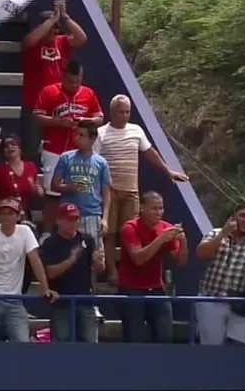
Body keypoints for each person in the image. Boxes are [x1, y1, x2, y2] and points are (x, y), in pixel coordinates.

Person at [94, 94, 189, 282]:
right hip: (110, 190)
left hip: (131, 190)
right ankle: (112, 271)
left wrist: (167, 171)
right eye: (120, 112)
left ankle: (128, 269)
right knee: (110, 234)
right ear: (112, 112)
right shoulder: (101, 133)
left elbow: (149, 152)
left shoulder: (136, 130)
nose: (124, 115)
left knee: (131, 231)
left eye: (127, 112)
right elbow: (94, 161)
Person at [34, 61, 103, 236]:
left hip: (80, 152)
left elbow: (99, 117)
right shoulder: (50, 91)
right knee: (52, 193)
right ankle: (47, 234)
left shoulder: (88, 93)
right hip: (54, 148)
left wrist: (85, 121)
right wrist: (56, 122)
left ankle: (76, 232)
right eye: (70, 81)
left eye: (77, 82)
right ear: (63, 77)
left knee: (78, 191)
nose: (74, 85)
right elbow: (37, 115)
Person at [0, 198, 58, 342]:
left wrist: (45, 288)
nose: (6, 217)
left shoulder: (25, 231)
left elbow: (35, 260)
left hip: (15, 299)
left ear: (18, 216)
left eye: (10, 213)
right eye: (3, 213)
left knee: (22, 342)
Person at [195, 203, 245, 345]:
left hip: (242, 303)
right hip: (212, 299)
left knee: (241, 346)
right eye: (242, 215)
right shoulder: (216, 233)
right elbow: (201, 253)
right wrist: (222, 235)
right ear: (233, 218)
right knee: (211, 346)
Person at [20, 0, 87, 161]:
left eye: (57, 29)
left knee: (59, 146)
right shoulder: (33, 44)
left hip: (58, 105)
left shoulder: (62, 42)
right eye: (52, 28)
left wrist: (64, 17)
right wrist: (51, 20)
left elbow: (81, 38)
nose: (55, 31)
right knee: (30, 147)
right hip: (35, 104)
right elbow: (28, 41)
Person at [117, 191, 188, 343]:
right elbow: (138, 259)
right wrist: (160, 239)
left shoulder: (166, 227)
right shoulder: (130, 228)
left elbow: (181, 261)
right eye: (154, 208)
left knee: (165, 336)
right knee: (133, 337)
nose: (159, 212)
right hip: (132, 288)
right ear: (142, 208)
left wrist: (183, 241)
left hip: (156, 287)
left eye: (161, 208)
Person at [40, 203, 105, 342]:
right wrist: (72, 259)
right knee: (62, 345)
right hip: (61, 302)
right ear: (58, 221)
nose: (73, 223)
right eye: (69, 219)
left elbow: (99, 268)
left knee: (90, 343)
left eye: (76, 219)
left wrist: (98, 262)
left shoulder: (87, 239)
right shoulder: (50, 243)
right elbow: (50, 273)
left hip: (86, 301)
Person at [51, 120, 112, 250]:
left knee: (94, 254)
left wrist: (105, 218)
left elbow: (106, 192)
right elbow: (54, 186)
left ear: (92, 138)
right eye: (76, 134)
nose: (77, 138)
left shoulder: (101, 162)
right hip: (68, 213)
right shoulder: (65, 158)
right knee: (66, 251)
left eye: (82, 135)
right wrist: (69, 187)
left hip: (91, 213)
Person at [0, 135, 43, 219]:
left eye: (13, 144)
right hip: (5, 215)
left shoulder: (31, 166)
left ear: (20, 148)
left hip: (24, 215)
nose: (10, 147)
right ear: (3, 152)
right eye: (6, 145)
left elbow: (39, 190)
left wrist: (37, 190)